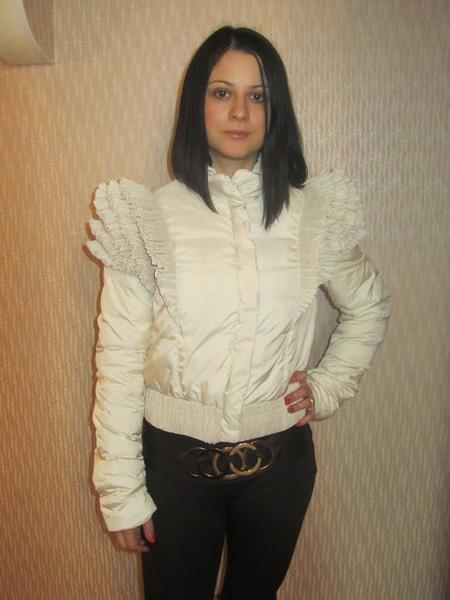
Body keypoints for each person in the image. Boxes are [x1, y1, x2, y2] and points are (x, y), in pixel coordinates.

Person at [85, 25, 391, 600]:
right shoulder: (147, 219)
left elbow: (368, 306)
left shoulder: (312, 217)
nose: (240, 112)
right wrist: (120, 490)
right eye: (222, 92)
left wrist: (328, 385)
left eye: (258, 96)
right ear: (195, 103)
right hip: (173, 468)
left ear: (276, 111)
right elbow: (118, 360)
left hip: (280, 469)